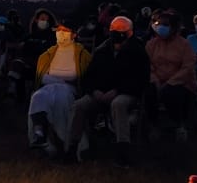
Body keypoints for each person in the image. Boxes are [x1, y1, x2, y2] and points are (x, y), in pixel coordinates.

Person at [70, 15, 150, 166]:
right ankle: (72, 148)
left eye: (121, 30)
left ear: (129, 33)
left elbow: (140, 78)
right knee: (79, 106)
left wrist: (117, 90)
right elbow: (89, 76)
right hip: (100, 93)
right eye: (115, 30)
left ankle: (122, 152)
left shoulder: (137, 51)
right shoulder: (102, 51)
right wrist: (94, 91)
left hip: (126, 93)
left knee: (118, 104)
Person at [27, 21, 90, 155]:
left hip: (68, 88)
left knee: (61, 99)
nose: (61, 35)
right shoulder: (48, 54)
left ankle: (64, 141)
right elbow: (41, 75)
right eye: (58, 32)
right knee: (38, 96)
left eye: (64, 32)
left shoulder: (82, 54)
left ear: (73, 35)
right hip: (48, 86)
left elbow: (82, 76)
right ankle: (40, 134)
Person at [145, 9, 197, 141]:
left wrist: (171, 82)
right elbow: (147, 65)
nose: (161, 27)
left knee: (171, 93)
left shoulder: (184, 44)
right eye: (159, 24)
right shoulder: (151, 44)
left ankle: (179, 125)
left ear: (173, 27)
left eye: (166, 24)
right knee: (149, 92)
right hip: (157, 80)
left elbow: (187, 66)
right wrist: (155, 80)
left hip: (180, 82)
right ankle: (154, 125)